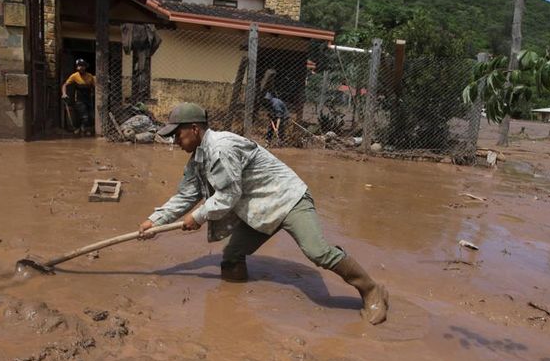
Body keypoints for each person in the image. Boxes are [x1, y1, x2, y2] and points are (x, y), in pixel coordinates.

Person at [138, 102, 389, 325]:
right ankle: (235, 317)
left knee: (317, 251)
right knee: (232, 257)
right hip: (258, 208)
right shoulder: (198, 159)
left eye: (177, 134)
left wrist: (198, 217)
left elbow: (228, 196)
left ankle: (372, 290)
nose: (175, 141)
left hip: (287, 199)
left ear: (194, 128)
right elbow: (186, 195)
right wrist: (155, 221)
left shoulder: (221, 148)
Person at [61, 59, 95, 135]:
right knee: (84, 116)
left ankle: (83, 129)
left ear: (85, 67)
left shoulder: (90, 76)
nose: (81, 68)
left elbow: (94, 86)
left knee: (90, 116)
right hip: (79, 99)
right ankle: (82, 129)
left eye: (82, 66)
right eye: (79, 66)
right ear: (77, 67)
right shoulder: (74, 76)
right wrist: (64, 93)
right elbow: (65, 85)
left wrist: (94, 93)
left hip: (88, 99)